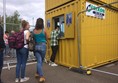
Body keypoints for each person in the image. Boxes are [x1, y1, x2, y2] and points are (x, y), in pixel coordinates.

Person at [33, 18, 48, 83]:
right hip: (43, 46)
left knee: (39, 61)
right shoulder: (44, 30)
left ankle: (37, 73)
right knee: (40, 62)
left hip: (36, 47)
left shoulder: (34, 31)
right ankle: (41, 77)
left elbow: (33, 38)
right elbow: (47, 38)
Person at [0, 16, 5, 83]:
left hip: (1, 49)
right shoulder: (0, 28)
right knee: (0, 65)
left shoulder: (1, 27)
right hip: (0, 49)